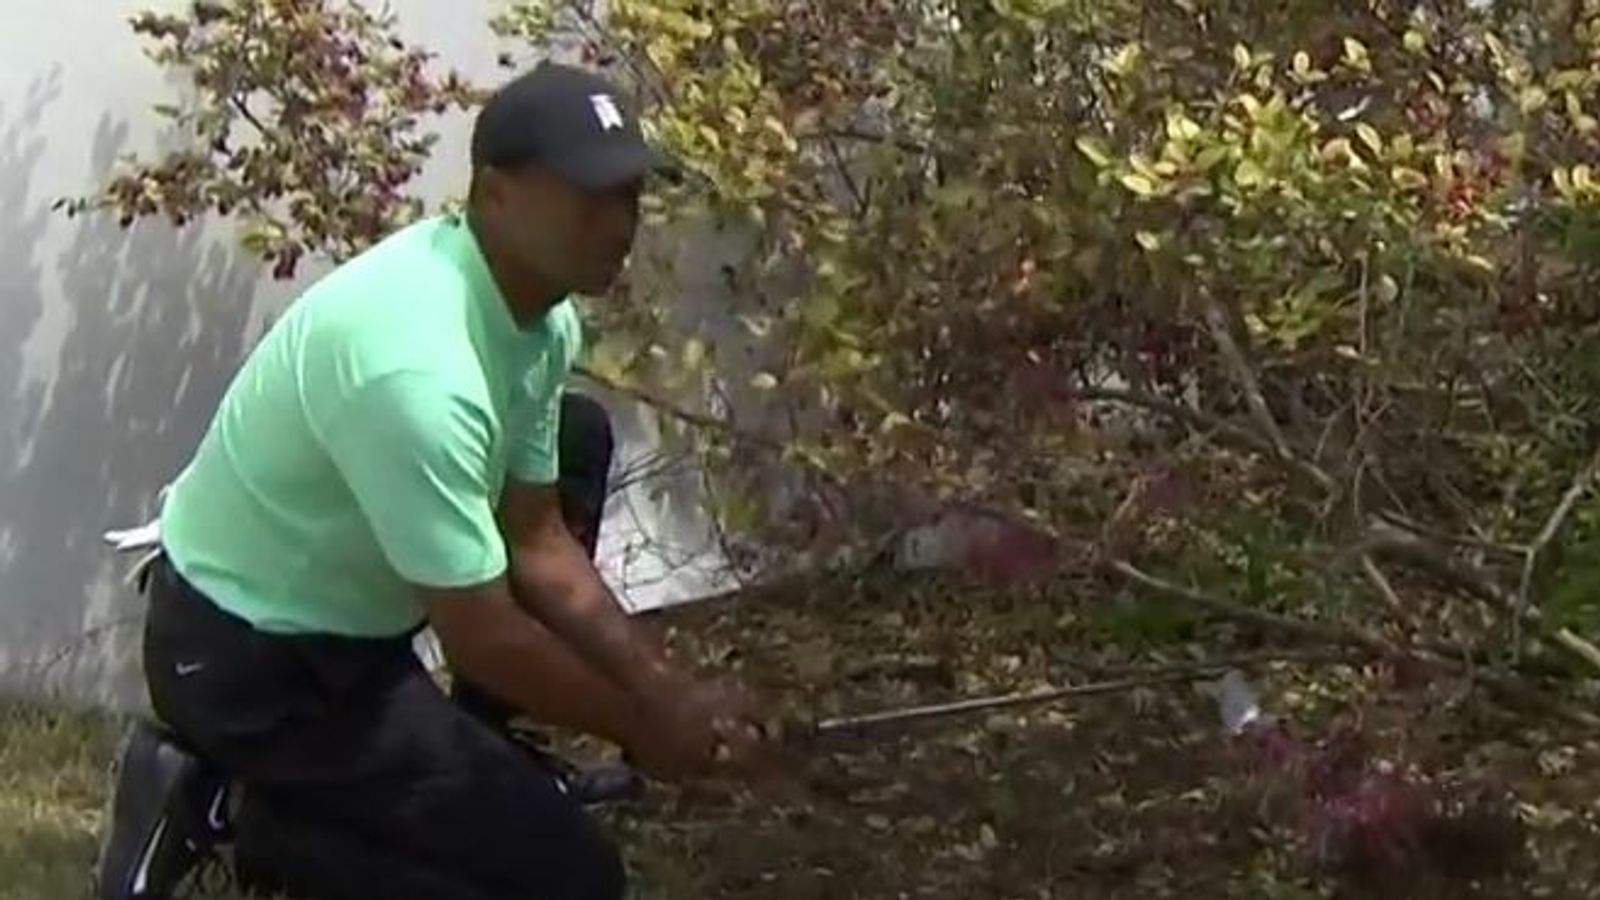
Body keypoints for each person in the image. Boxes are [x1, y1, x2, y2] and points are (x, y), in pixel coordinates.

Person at [93, 61, 770, 900]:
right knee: (571, 878)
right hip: (252, 663)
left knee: (579, 437)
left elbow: (537, 539)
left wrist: (670, 691)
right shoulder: (415, 367)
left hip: (357, 630)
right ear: (492, 193)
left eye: (631, 195)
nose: (618, 223)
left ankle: (455, 769)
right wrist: (645, 727)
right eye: (589, 196)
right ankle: (245, 810)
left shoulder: (540, 311)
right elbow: (480, 634)